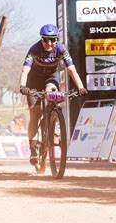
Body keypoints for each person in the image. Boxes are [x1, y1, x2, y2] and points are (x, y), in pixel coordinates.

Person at [19, 24, 87, 165]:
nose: (49, 43)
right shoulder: (34, 49)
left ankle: (52, 117)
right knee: (34, 113)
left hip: (51, 78)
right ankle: (33, 149)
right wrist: (23, 86)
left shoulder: (61, 49)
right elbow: (25, 70)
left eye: (52, 40)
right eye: (46, 40)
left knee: (51, 91)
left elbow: (71, 70)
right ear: (41, 39)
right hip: (34, 81)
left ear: (56, 39)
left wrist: (81, 87)